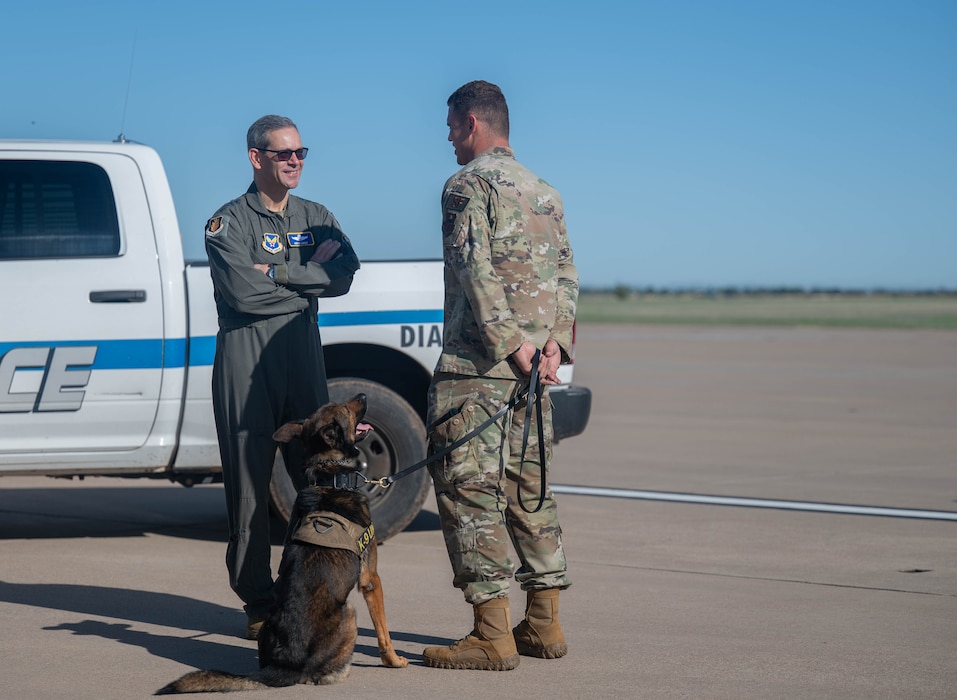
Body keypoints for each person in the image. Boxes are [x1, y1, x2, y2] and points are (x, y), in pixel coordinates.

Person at [422, 81, 579, 671]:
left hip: (480, 371)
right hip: (535, 372)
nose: (448, 138)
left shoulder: (467, 184)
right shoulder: (546, 192)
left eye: (450, 126)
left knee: (470, 493)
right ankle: (543, 624)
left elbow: (473, 267)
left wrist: (509, 346)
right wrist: (551, 349)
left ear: (470, 123)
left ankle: (492, 635)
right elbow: (566, 275)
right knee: (528, 487)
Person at [204, 114, 360, 640]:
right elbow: (242, 295)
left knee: (319, 483)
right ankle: (258, 601)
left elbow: (345, 273)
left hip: (302, 359)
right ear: (256, 158)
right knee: (249, 493)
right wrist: (309, 279)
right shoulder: (229, 223)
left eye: (301, 153)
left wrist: (281, 272)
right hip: (245, 367)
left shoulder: (316, 215)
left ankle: (316, 591)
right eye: (283, 154)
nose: (294, 161)